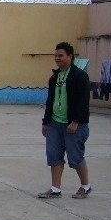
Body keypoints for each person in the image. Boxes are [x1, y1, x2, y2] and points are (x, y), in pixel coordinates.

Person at [38, 42, 91, 199]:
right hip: (55, 123)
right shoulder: (55, 77)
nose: (57, 58)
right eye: (55, 56)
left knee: (75, 157)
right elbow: (50, 101)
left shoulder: (80, 76)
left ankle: (85, 186)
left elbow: (83, 102)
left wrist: (75, 121)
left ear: (70, 56)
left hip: (74, 125)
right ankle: (55, 189)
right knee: (54, 155)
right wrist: (45, 122)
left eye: (60, 55)